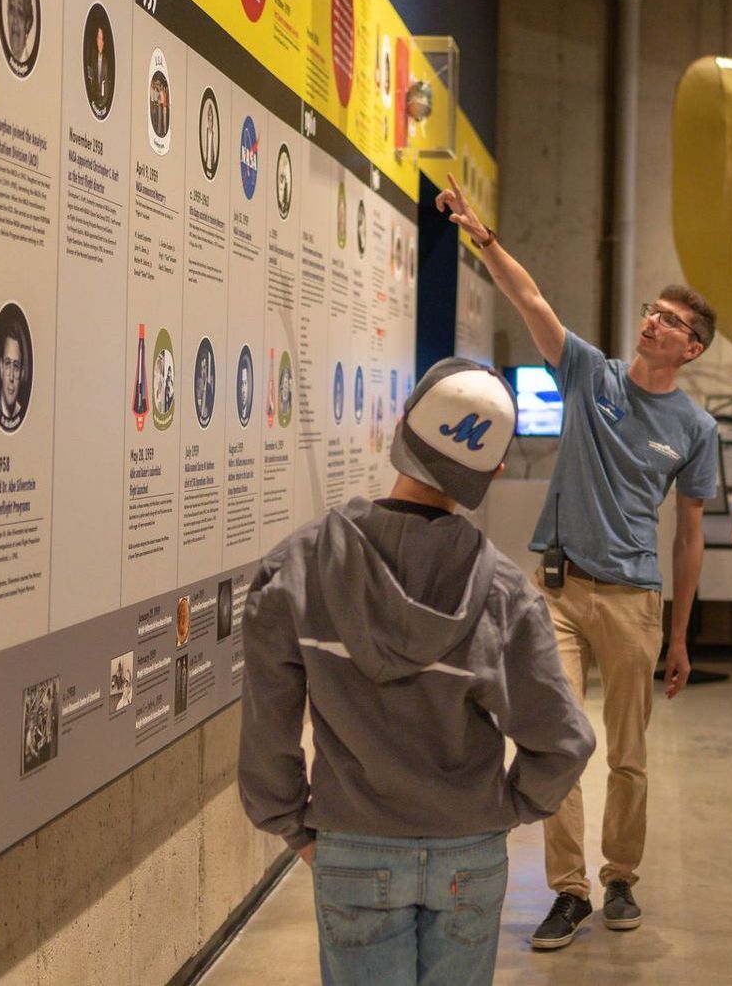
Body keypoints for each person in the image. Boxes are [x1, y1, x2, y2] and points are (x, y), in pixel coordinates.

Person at [239, 358, 596, 986]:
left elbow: (268, 735)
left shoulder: (296, 570)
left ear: (400, 425)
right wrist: (506, 810)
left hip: (353, 844)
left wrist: (295, 829)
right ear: (494, 472)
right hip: (470, 851)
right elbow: (563, 742)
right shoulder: (505, 594)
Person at [436, 173, 721, 950]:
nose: (652, 323)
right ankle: (568, 889)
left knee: (628, 753)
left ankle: (621, 874)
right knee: (555, 738)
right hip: (557, 588)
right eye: (652, 312)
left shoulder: (695, 428)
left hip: (634, 600)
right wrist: (481, 234)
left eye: (669, 322)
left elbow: (689, 536)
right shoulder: (591, 374)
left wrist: (681, 635)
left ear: (691, 348)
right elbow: (533, 304)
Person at [0, 329, 25, 431]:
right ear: (1, 368)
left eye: (16, 366)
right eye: (7, 364)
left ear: (21, 373)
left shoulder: (23, 414)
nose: (11, 376)